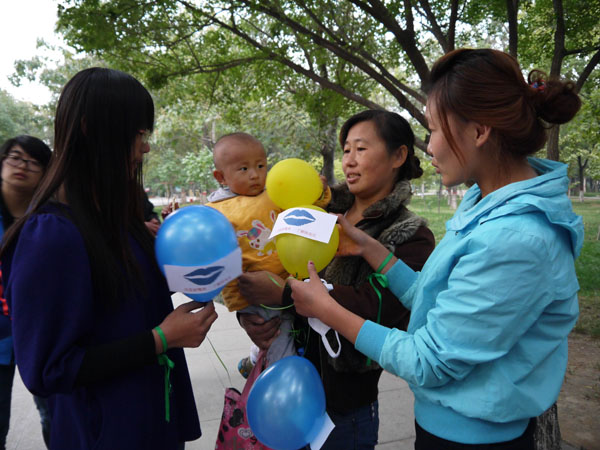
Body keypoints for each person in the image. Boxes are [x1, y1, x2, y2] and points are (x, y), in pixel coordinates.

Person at [288, 48, 583, 449]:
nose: (430, 147)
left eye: (436, 130)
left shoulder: (517, 238)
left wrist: (326, 309)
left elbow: (429, 361)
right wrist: (371, 250)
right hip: (447, 425)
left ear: (479, 131)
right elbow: (437, 296)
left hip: (475, 438)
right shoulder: (486, 202)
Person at [0, 68, 218, 450]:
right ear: (89, 129)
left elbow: (126, 298)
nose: (145, 148)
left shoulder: (115, 217)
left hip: (151, 418)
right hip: (106, 431)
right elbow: (47, 368)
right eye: (137, 134)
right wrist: (161, 339)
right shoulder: (51, 236)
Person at [238, 110, 435, 449]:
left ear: (398, 156)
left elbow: (378, 309)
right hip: (284, 387)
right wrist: (253, 316)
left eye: (361, 149)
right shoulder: (315, 212)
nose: (350, 161)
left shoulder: (410, 235)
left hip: (344, 407)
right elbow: (276, 262)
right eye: (346, 150)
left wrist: (284, 294)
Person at [205, 132, 330, 374]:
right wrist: (239, 304)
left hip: (290, 282)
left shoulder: (274, 193)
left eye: (260, 166)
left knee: (297, 330)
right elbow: (220, 261)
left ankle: (254, 360)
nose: (255, 174)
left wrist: (317, 190)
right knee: (280, 346)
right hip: (256, 295)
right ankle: (284, 383)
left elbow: (307, 209)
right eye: (243, 169)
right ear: (220, 176)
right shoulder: (217, 212)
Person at [0, 136, 52, 449]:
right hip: (1, 338)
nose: (22, 166)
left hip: (43, 336)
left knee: (53, 415)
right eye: (16, 157)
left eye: (33, 162)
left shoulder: (49, 219)